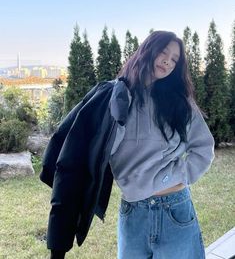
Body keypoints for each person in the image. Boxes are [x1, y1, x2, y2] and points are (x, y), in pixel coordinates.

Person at [40, 30, 215, 259]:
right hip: (132, 214)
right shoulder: (111, 97)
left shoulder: (179, 102)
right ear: (147, 50)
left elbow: (203, 148)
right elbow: (76, 156)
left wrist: (173, 176)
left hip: (174, 210)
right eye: (164, 52)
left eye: (174, 59)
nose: (168, 61)